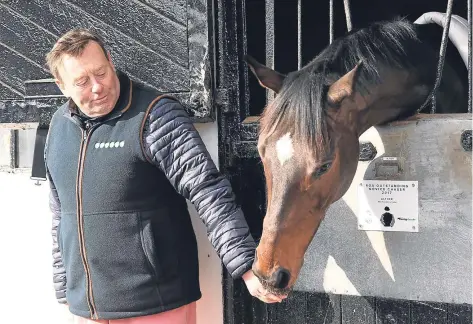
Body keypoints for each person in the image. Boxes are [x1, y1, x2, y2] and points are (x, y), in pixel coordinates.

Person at [44, 28, 286, 324]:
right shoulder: (58, 127)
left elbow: (207, 189)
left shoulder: (155, 115)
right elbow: (60, 212)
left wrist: (247, 267)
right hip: (89, 308)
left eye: (101, 72)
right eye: (82, 81)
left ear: (110, 60)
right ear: (61, 86)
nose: (97, 87)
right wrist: (64, 286)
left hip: (157, 304)